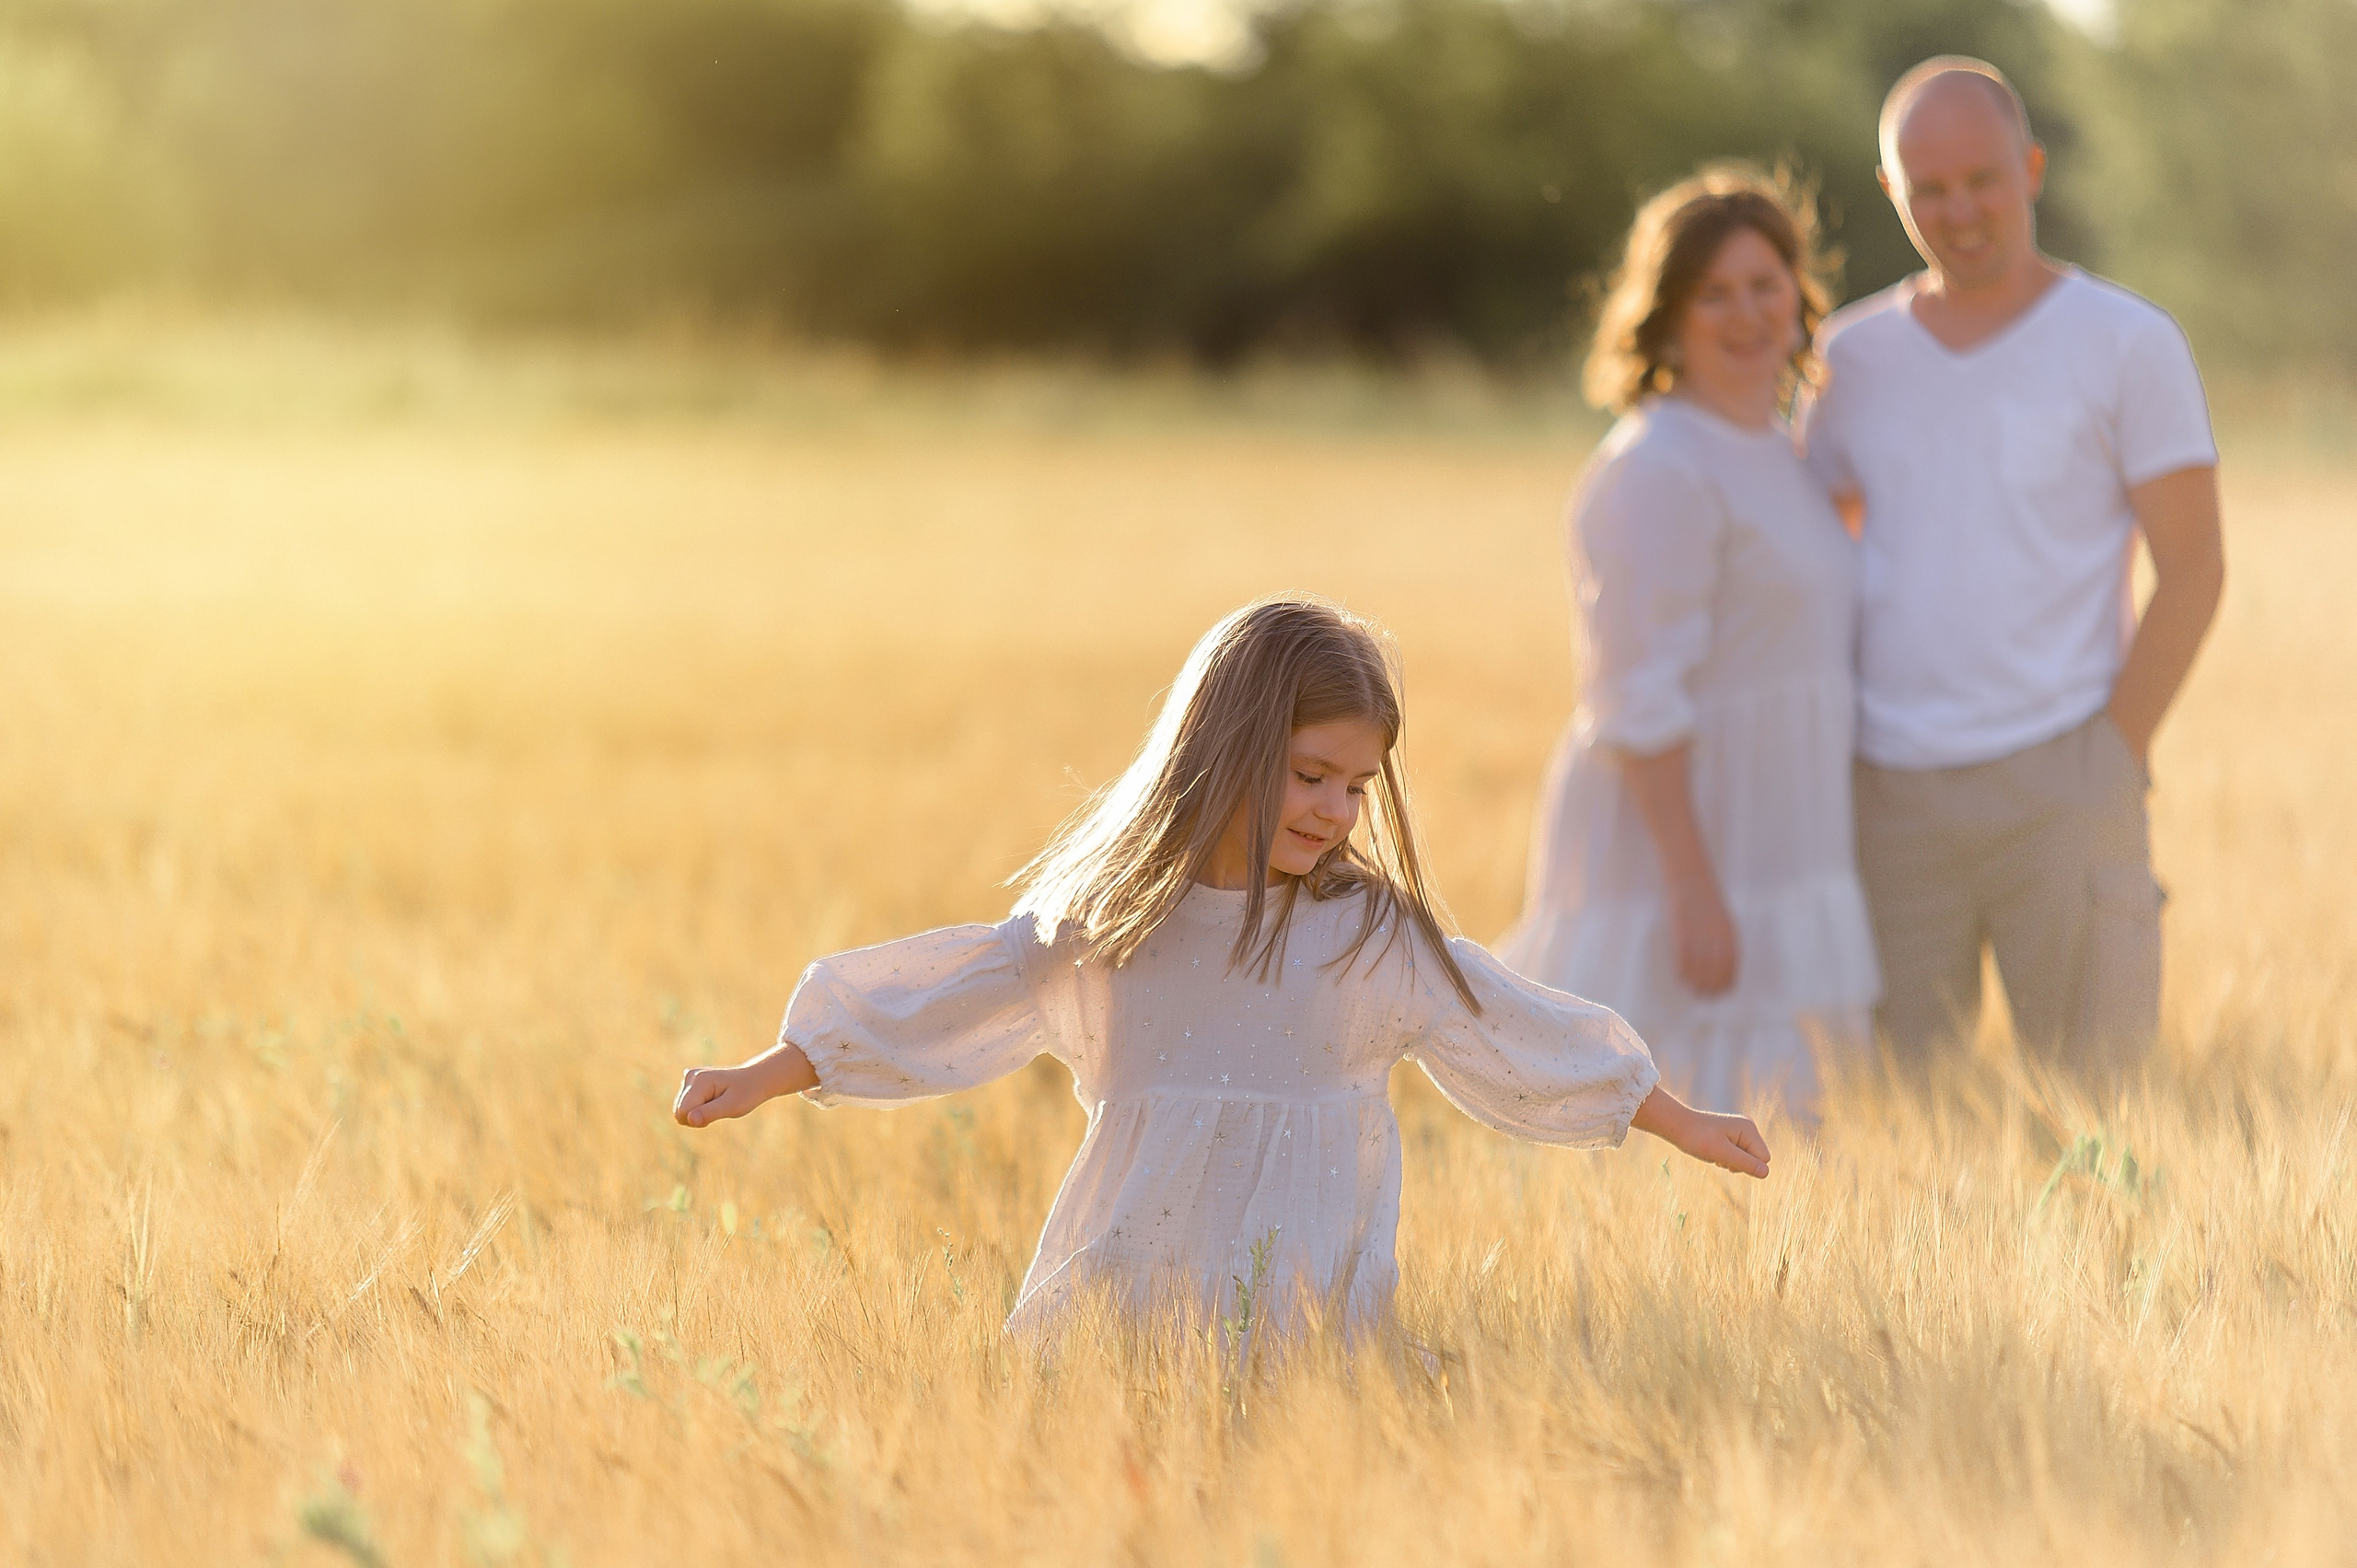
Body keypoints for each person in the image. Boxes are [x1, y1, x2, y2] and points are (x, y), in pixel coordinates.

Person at [673, 598, 1769, 1341]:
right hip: (1125, 1310)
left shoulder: (1368, 937)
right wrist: (772, 1069)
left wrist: (1674, 1118)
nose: (1336, 811)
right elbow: (949, 997)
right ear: (1228, 745)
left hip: (1304, 1322)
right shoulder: (1110, 926)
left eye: (1356, 784)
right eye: (1309, 775)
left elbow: (1513, 1029)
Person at [1798, 58, 2225, 1074]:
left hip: (2065, 776)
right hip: (1888, 795)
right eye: (1928, 187)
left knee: (2100, 1119)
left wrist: (2109, 757)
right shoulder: (1845, 359)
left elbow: (2196, 567)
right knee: (1904, 1130)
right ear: (1892, 190)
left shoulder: (2128, 341)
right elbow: (1814, 562)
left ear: (2029, 168)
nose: (1958, 209)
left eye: (1981, 177)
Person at [1498, 168, 1880, 1118]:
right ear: (1665, 316)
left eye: (1765, 285)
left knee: (1793, 1122)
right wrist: (1693, 889)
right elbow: (1634, 696)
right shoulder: (1656, 466)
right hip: (1688, 839)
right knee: (1678, 1093)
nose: (1746, 313)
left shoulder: (1785, 450)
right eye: (1714, 293)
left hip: (1782, 827)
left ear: (1800, 296)